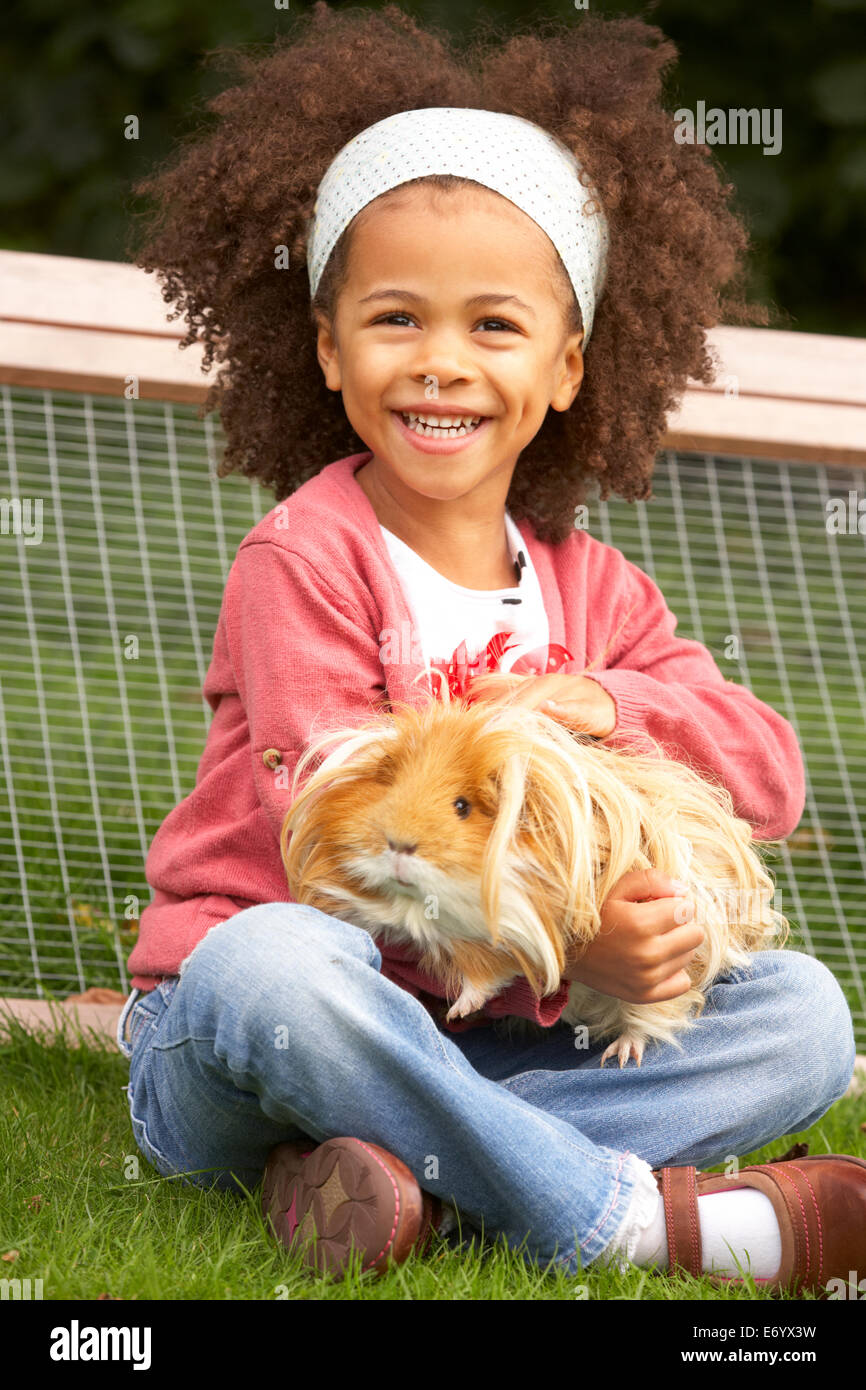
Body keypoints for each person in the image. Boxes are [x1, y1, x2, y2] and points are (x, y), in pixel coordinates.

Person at [117, 4, 862, 1291]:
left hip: (488, 1046)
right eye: (396, 319)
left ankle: (406, 1181)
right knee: (271, 964)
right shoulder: (306, 556)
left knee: (802, 1019)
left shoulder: (594, 589)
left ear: (568, 366)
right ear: (326, 347)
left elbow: (768, 776)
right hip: (266, 1039)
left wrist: (600, 701)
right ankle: (624, 1218)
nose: (441, 365)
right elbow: (332, 855)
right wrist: (572, 952)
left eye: (494, 327)